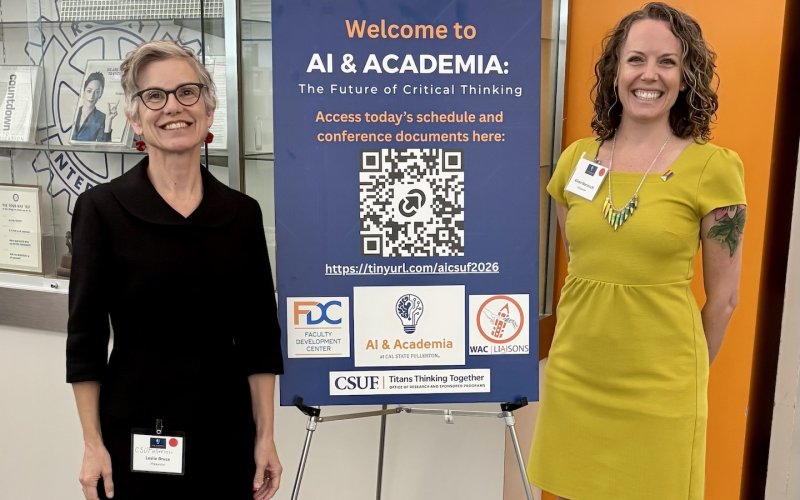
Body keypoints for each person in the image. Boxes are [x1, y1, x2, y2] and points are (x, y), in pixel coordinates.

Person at [528, 3, 745, 499]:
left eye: (668, 62)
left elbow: (725, 299)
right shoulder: (576, 159)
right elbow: (582, 263)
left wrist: (682, 381)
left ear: (687, 76)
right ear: (615, 71)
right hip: (575, 378)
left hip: (661, 387)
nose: (650, 74)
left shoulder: (714, 168)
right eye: (636, 59)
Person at [66, 40, 284, 500]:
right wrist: (92, 445)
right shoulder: (101, 210)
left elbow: (259, 339)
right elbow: (84, 341)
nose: (172, 107)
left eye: (187, 92)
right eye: (154, 96)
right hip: (134, 431)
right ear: (133, 117)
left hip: (226, 433)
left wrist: (265, 436)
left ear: (208, 110)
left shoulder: (242, 214)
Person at [72, 72, 118, 142]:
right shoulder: (74, 112)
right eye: (89, 91)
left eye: (97, 92)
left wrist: (108, 121)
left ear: (101, 94)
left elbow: (104, 148)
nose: (92, 96)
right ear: (84, 91)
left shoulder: (101, 118)